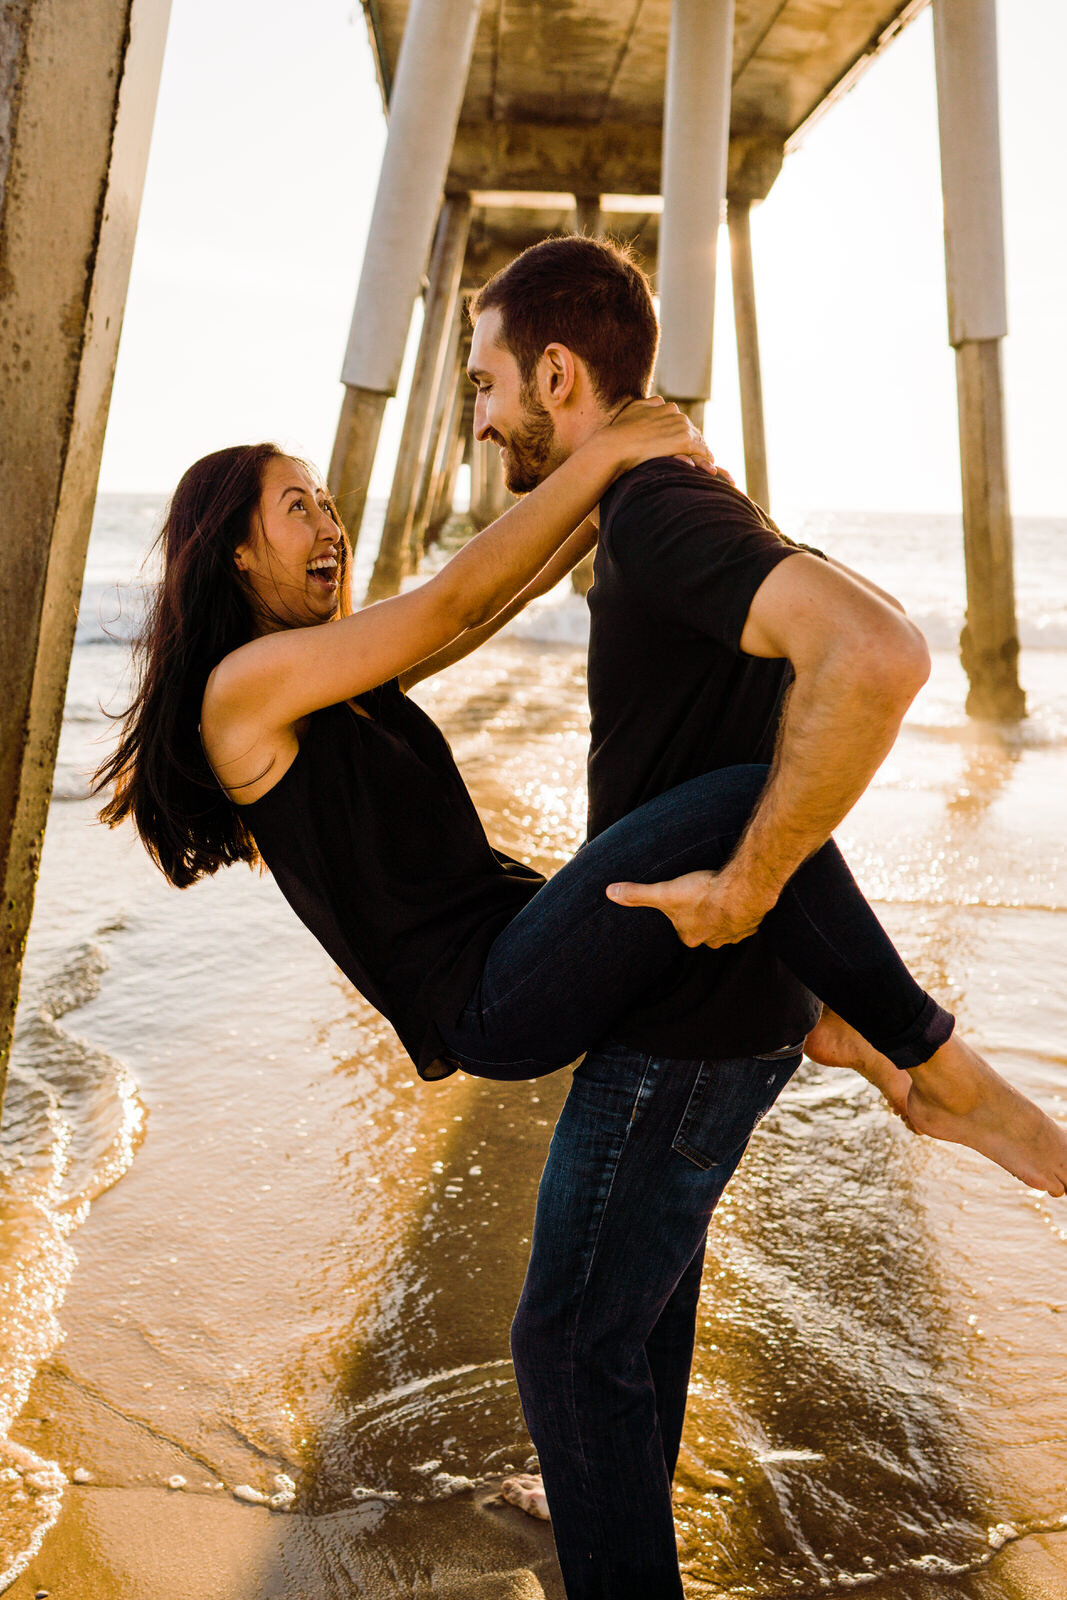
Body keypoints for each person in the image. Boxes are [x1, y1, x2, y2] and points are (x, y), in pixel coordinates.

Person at [93, 389, 1062, 1597]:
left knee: (726, 853)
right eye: (299, 507)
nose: (328, 522)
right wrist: (607, 452)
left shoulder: (327, 679)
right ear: (233, 548)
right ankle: (929, 1058)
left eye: (331, 503)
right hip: (487, 997)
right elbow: (445, 601)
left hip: (516, 943)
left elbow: (472, 611)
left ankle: (840, 1036)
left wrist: (601, 490)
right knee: (734, 807)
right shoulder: (244, 688)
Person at [445, 234, 1067, 1597]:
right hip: (729, 1018)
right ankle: (605, 1501)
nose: (476, 416)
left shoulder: (659, 508)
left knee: (565, 1346)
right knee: (635, 1314)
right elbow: (860, 627)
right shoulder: (670, 499)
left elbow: (881, 652)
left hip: (685, 1022)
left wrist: (745, 880)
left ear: (555, 372)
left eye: (483, 381)